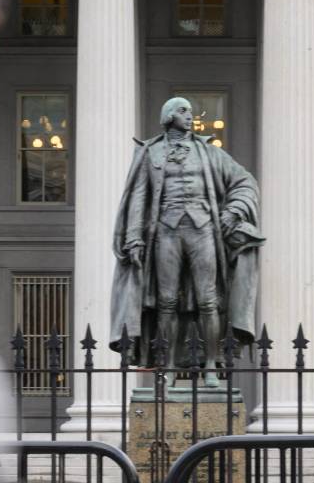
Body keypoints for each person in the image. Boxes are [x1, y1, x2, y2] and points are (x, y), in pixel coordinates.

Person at [110, 97, 263, 377]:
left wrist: (234, 211)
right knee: (166, 301)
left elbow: (245, 181)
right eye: (183, 111)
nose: (190, 116)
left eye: (191, 112)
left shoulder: (210, 153)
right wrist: (134, 236)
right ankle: (166, 365)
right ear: (168, 116)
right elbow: (139, 195)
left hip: (204, 229)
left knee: (208, 300)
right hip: (166, 231)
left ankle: (211, 367)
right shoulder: (150, 153)